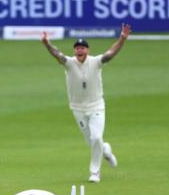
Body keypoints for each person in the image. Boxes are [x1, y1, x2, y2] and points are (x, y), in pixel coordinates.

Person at [41, 23, 132, 183]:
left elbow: (110, 54)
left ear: (87, 50)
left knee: (96, 137)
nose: (80, 50)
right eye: (77, 48)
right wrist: (48, 44)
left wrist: (122, 39)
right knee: (92, 142)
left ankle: (94, 172)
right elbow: (57, 55)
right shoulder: (69, 63)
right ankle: (106, 150)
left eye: (83, 48)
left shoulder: (96, 61)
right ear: (75, 50)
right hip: (77, 108)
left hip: (96, 106)